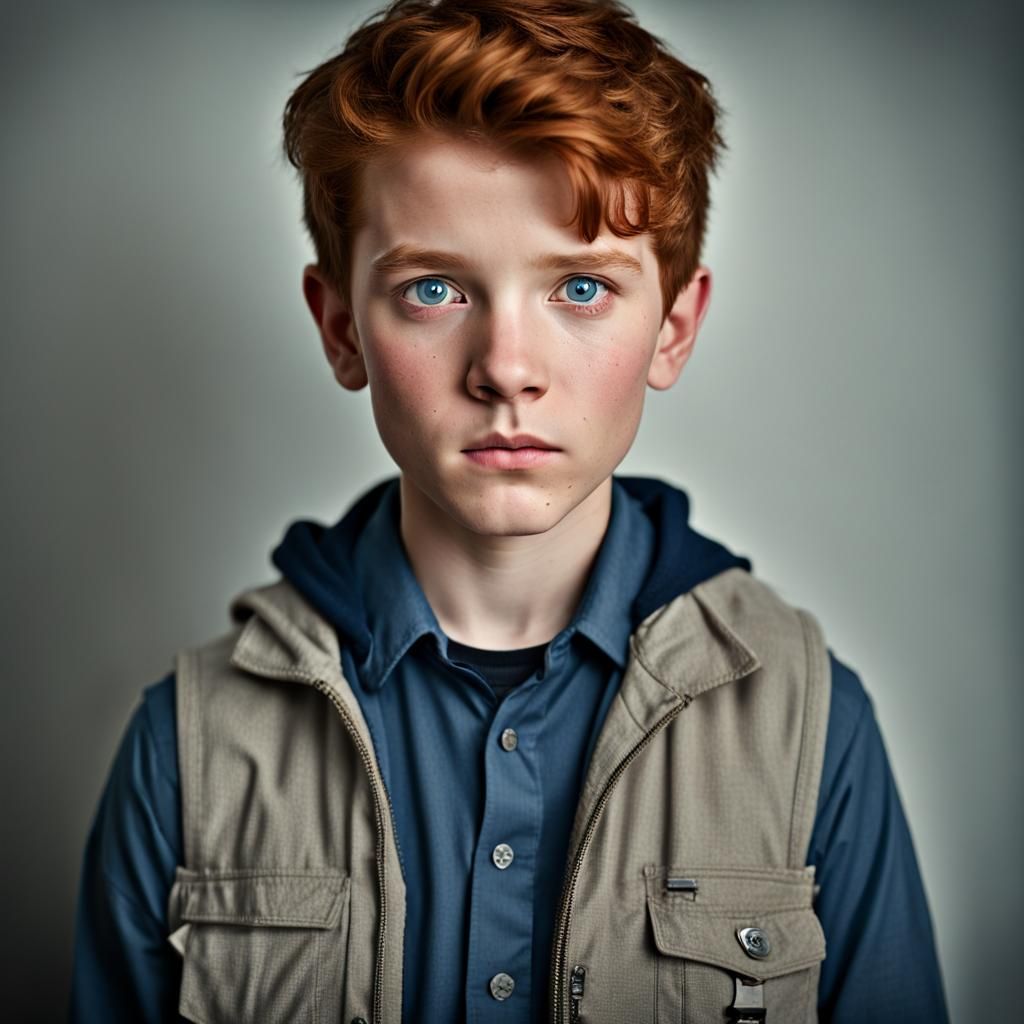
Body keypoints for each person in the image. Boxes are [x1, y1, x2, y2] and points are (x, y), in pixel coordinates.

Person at [69, 1, 950, 1021]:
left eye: (579, 286)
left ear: (673, 326)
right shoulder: (188, 741)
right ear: (339, 325)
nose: (506, 371)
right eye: (434, 290)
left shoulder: (807, 723)